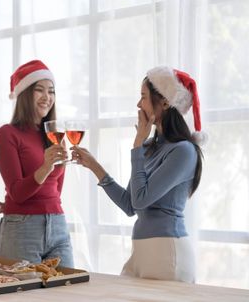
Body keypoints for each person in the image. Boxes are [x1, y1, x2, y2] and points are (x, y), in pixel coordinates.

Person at [71, 66, 205, 283]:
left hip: (166, 250)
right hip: (143, 249)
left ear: (164, 102)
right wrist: (95, 166)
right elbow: (130, 205)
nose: (138, 104)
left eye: (143, 97)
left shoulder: (183, 151)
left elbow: (141, 199)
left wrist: (137, 146)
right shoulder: (152, 147)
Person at [0, 59, 74, 268]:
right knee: (22, 296)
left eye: (52, 91)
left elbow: (55, 189)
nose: (47, 97)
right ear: (25, 94)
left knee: (68, 291)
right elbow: (18, 192)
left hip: (58, 225)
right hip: (22, 229)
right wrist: (46, 167)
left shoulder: (55, 137)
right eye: (40, 90)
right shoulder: (7, 134)